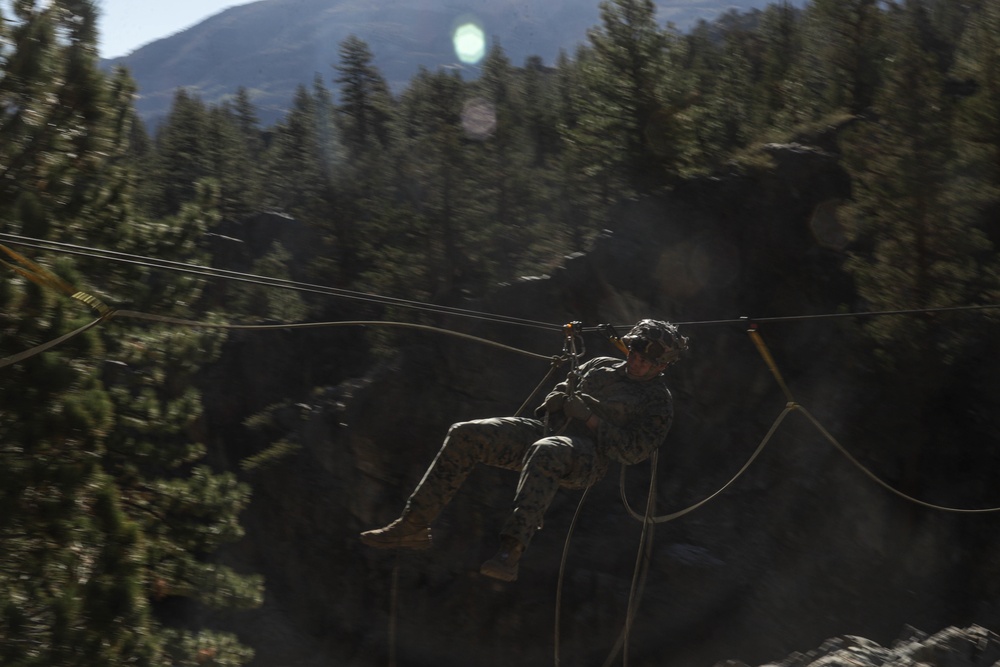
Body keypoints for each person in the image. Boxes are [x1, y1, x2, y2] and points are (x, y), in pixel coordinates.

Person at [360, 319, 688, 582]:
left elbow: (633, 451)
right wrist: (557, 400)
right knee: (466, 434)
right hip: (548, 430)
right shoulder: (601, 364)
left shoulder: (657, 402)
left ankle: (511, 552)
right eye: (633, 353)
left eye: (645, 361)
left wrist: (589, 419)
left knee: (547, 450)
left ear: (662, 366)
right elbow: (566, 386)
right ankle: (414, 524)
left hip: (586, 458)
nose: (635, 362)